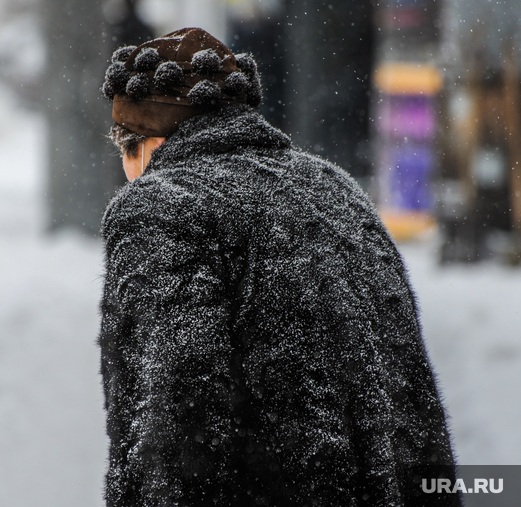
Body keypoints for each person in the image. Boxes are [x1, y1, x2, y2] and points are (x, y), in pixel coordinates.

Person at [97, 28, 460, 507]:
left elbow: (177, 416)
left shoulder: (162, 207)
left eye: (127, 151)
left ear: (144, 143)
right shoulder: (336, 191)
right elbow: (409, 392)